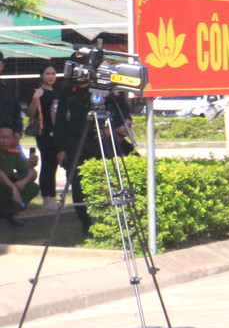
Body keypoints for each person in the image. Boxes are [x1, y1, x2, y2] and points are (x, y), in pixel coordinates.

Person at [52, 77, 132, 232]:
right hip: (75, 143)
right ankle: (85, 222)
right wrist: (61, 148)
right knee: (77, 181)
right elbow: (60, 121)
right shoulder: (68, 92)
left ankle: (109, 219)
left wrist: (111, 127)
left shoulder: (102, 88)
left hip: (99, 141)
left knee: (106, 178)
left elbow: (122, 109)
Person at [27, 65, 59, 207]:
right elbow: (31, 114)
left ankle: (52, 196)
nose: (50, 76)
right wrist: (35, 99)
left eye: (53, 74)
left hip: (58, 133)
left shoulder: (58, 93)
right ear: (42, 76)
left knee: (54, 165)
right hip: (44, 133)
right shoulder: (38, 92)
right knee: (47, 164)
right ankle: (47, 197)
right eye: (47, 74)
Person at [0, 125, 38, 225]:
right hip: (5, 186)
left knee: (33, 187)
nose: (4, 141)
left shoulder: (13, 153)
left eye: (7, 138)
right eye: (1, 137)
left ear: (13, 139)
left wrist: (23, 182)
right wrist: (13, 188)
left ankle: (9, 213)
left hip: (5, 188)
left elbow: (31, 171)